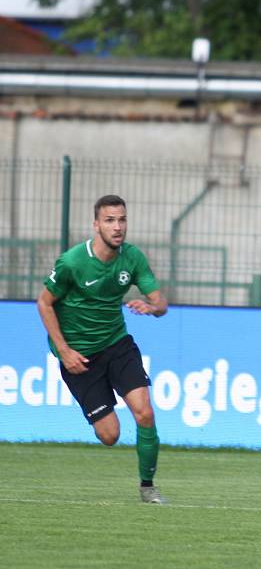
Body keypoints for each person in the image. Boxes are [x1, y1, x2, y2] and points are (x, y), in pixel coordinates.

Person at [36, 195, 168, 503]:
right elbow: (44, 302)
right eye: (110, 220)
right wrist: (64, 351)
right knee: (110, 436)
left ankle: (148, 487)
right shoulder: (72, 262)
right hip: (80, 357)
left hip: (117, 345)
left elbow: (161, 303)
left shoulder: (132, 258)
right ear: (96, 225)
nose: (117, 226)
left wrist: (153, 307)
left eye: (122, 219)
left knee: (145, 412)